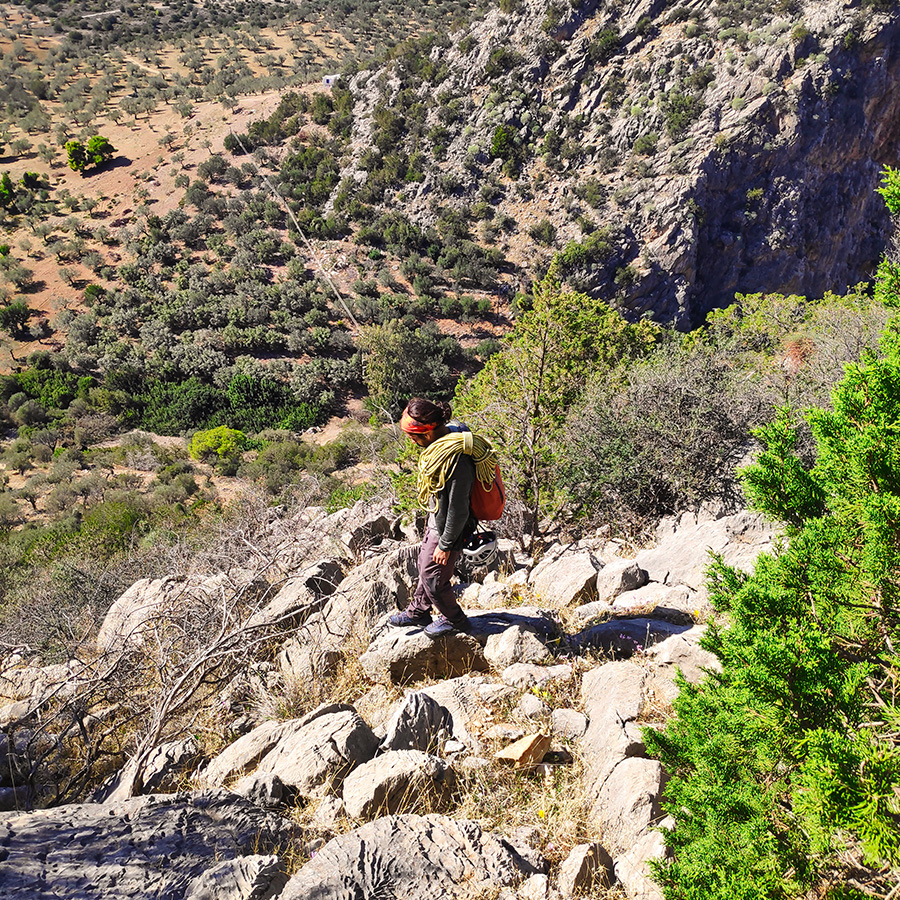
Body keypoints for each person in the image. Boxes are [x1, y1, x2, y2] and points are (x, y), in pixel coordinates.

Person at [389, 397, 477, 638]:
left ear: (427, 434)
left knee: (433, 577)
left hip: (449, 528)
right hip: (437, 520)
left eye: (413, 437)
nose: (411, 441)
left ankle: (455, 620)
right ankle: (418, 611)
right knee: (423, 566)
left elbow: (458, 509)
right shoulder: (441, 444)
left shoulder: (455, 460)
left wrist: (446, 544)